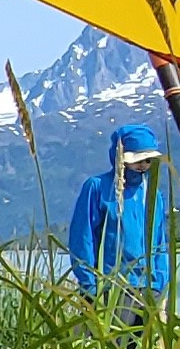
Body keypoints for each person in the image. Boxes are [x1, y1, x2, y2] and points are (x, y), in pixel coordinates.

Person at [68, 123, 172, 301]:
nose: (142, 165)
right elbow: (82, 238)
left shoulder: (153, 195)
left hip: (149, 288)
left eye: (148, 160)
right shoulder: (97, 187)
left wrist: (159, 285)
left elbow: (159, 242)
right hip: (109, 286)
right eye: (136, 160)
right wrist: (90, 285)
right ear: (121, 157)